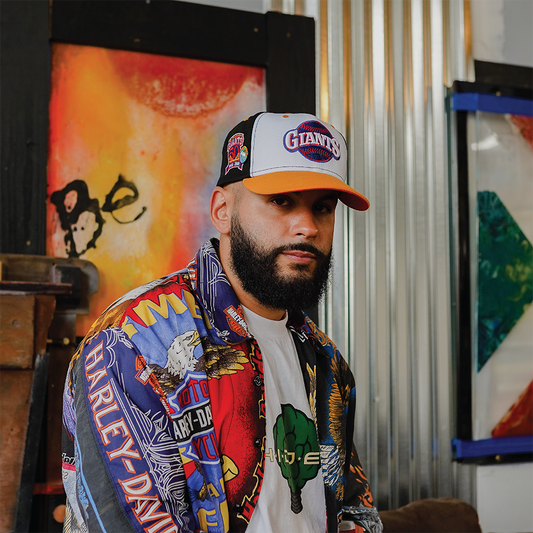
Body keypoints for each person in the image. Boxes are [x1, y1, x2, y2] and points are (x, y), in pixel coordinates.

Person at [61, 112, 382, 533]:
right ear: (222, 211)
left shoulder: (325, 361)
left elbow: (352, 509)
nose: (307, 226)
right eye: (282, 201)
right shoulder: (134, 341)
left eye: (322, 207)